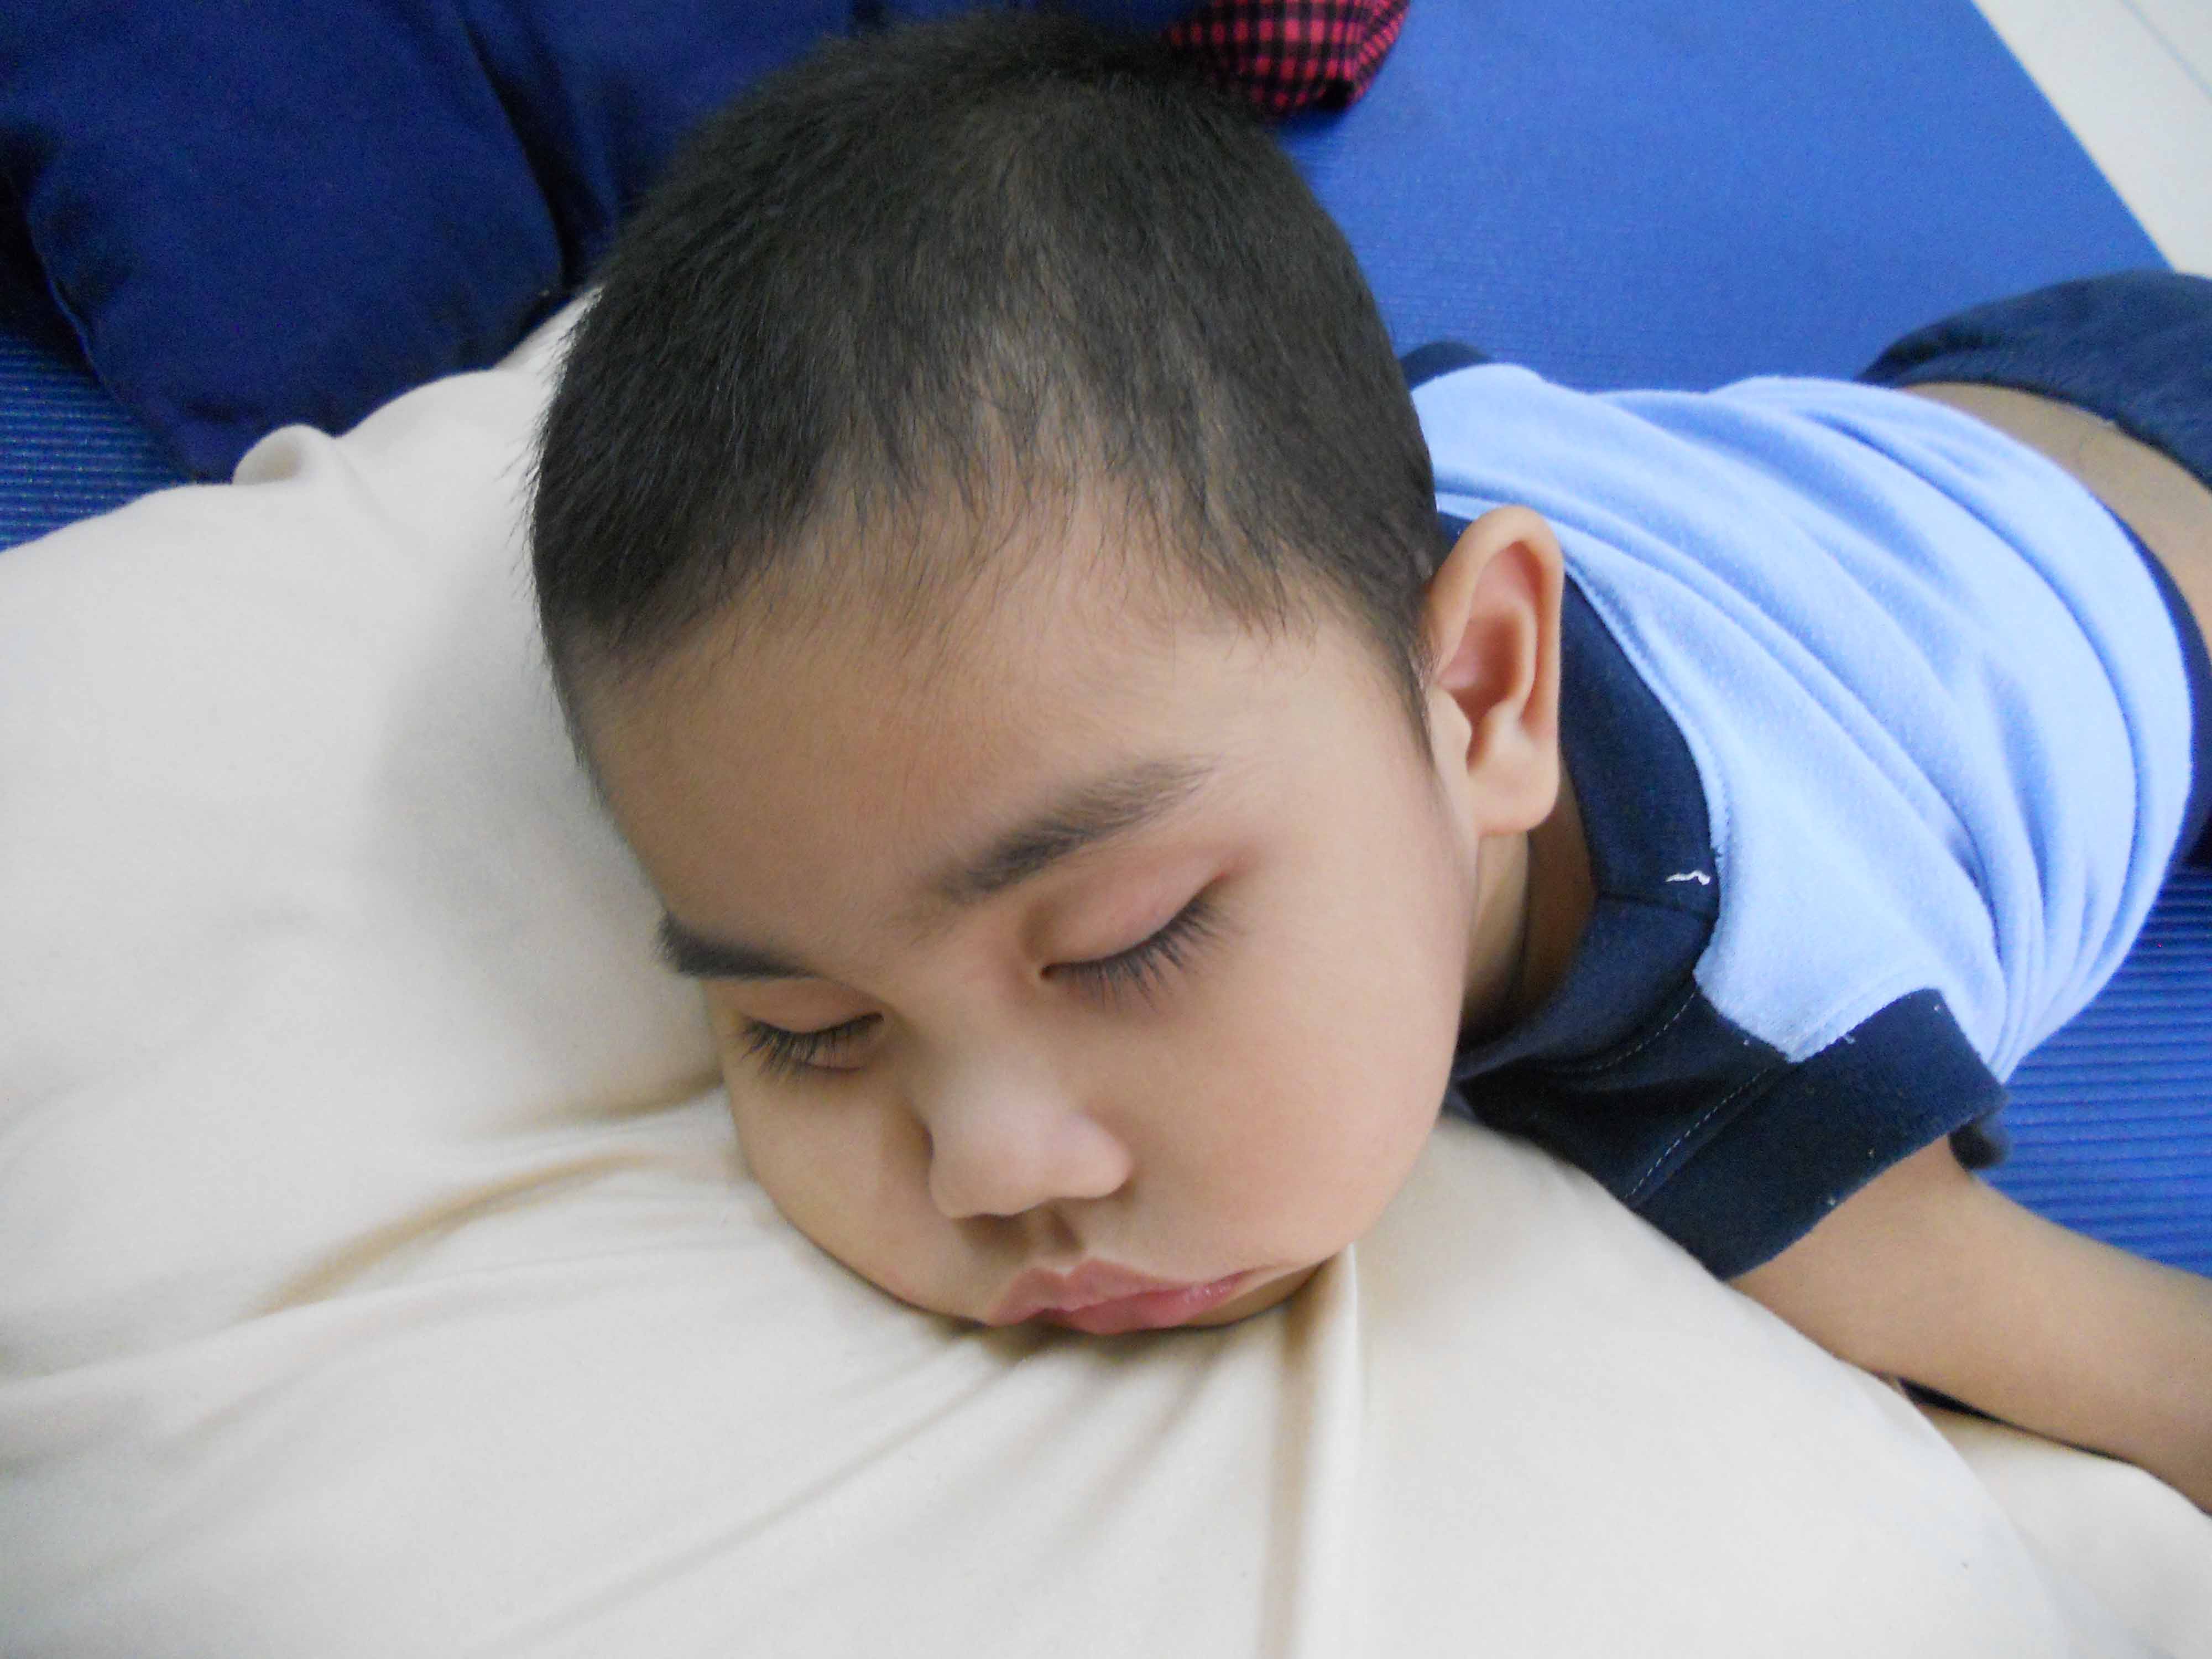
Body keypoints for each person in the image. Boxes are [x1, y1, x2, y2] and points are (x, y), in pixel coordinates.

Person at [527, 12, 2212, 1507]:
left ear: (1483, 696)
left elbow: (2160, 1372)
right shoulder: (1281, 598)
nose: (989, 1170)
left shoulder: (1764, 1062)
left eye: (1125, 941)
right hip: (1929, 418)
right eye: (811, 1029)